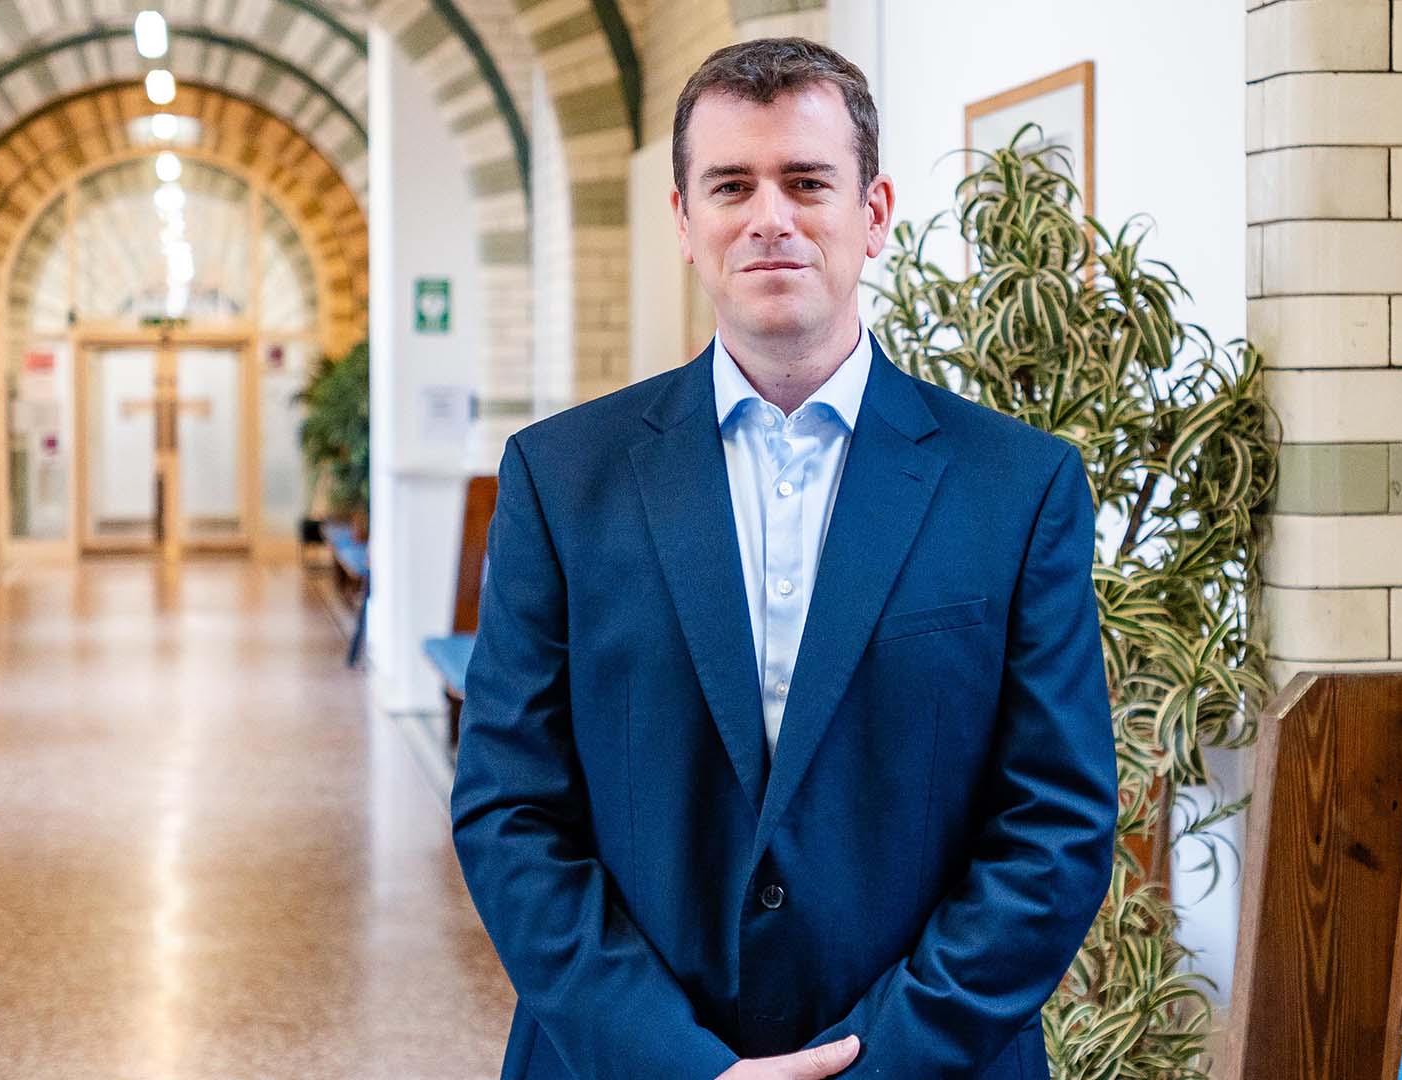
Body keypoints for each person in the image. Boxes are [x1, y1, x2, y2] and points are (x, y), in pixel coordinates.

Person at [450, 36, 1117, 1080]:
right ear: (684, 220)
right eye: (731, 185)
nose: (771, 217)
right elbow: (509, 806)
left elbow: (1056, 821)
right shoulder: (561, 478)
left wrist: (875, 1061)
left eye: (808, 182)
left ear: (875, 213)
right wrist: (674, 1062)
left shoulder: (1017, 487)